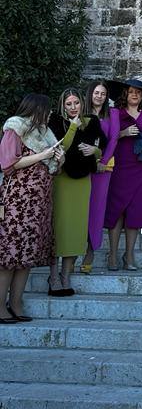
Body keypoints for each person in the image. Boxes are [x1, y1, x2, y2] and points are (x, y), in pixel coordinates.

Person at [0, 94, 62, 322]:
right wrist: (43, 155)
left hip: (38, 204)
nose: (49, 114)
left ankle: (16, 304)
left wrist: (57, 158)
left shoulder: (45, 134)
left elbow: (52, 168)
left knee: (26, 256)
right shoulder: (15, 127)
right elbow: (7, 164)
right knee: (10, 256)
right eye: (47, 110)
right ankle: (0, 307)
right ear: (36, 109)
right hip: (17, 202)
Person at [48, 88, 107, 295]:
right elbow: (59, 148)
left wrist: (96, 151)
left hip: (83, 180)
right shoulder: (55, 122)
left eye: (76, 103)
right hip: (62, 180)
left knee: (75, 228)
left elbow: (102, 145)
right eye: (68, 104)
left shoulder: (92, 121)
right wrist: (72, 127)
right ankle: (53, 276)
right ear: (62, 106)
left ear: (82, 103)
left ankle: (66, 275)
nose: (73, 107)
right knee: (60, 227)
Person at [104, 80, 142, 271]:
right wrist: (123, 133)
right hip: (120, 166)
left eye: (138, 92)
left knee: (136, 211)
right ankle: (112, 254)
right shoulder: (115, 114)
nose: (135, 95)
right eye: (131, 92)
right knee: (116, 210)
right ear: (125, 95)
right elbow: (107, 138)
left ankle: (129, 255)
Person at [81, 79, 120, 274]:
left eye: (103, 94)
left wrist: (103, 161)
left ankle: (90, 251)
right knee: (80, 210)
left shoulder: (112, 114)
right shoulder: (81, 112)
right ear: (90, 94)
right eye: (96, 93)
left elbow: (113, 139)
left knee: (96, 210)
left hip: (102, 169)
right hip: (80, 169)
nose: (99, 96)